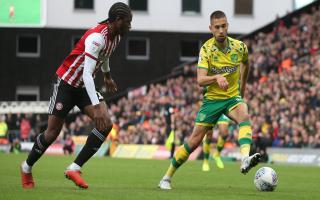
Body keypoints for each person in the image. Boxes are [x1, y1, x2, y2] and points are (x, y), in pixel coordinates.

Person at [20, 2, 132, 189]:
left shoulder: (116, 37)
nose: (130, 26)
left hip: (82, 87)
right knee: (52, 133)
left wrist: (107, 75)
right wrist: (96, 105)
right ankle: (26, 167)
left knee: (106, 124)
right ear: (118, 20)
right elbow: (87, 74)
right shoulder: (97, 37)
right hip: (65, 83)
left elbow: (105, 57)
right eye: (128, 22)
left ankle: (74, 167)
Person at [158, 10, 261, 190]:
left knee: (244, 116)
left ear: (227, 26)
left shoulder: (239, 47)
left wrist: (241, 89)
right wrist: (216, 78)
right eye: (217, 27)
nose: (221, 30)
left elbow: (246, 63)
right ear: (211, 29)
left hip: (231, 98)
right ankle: (166, 177)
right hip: (212, 101)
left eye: (224, 26)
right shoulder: (206, 49)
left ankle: (245, 158)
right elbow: (200, 80)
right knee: (194, 141)